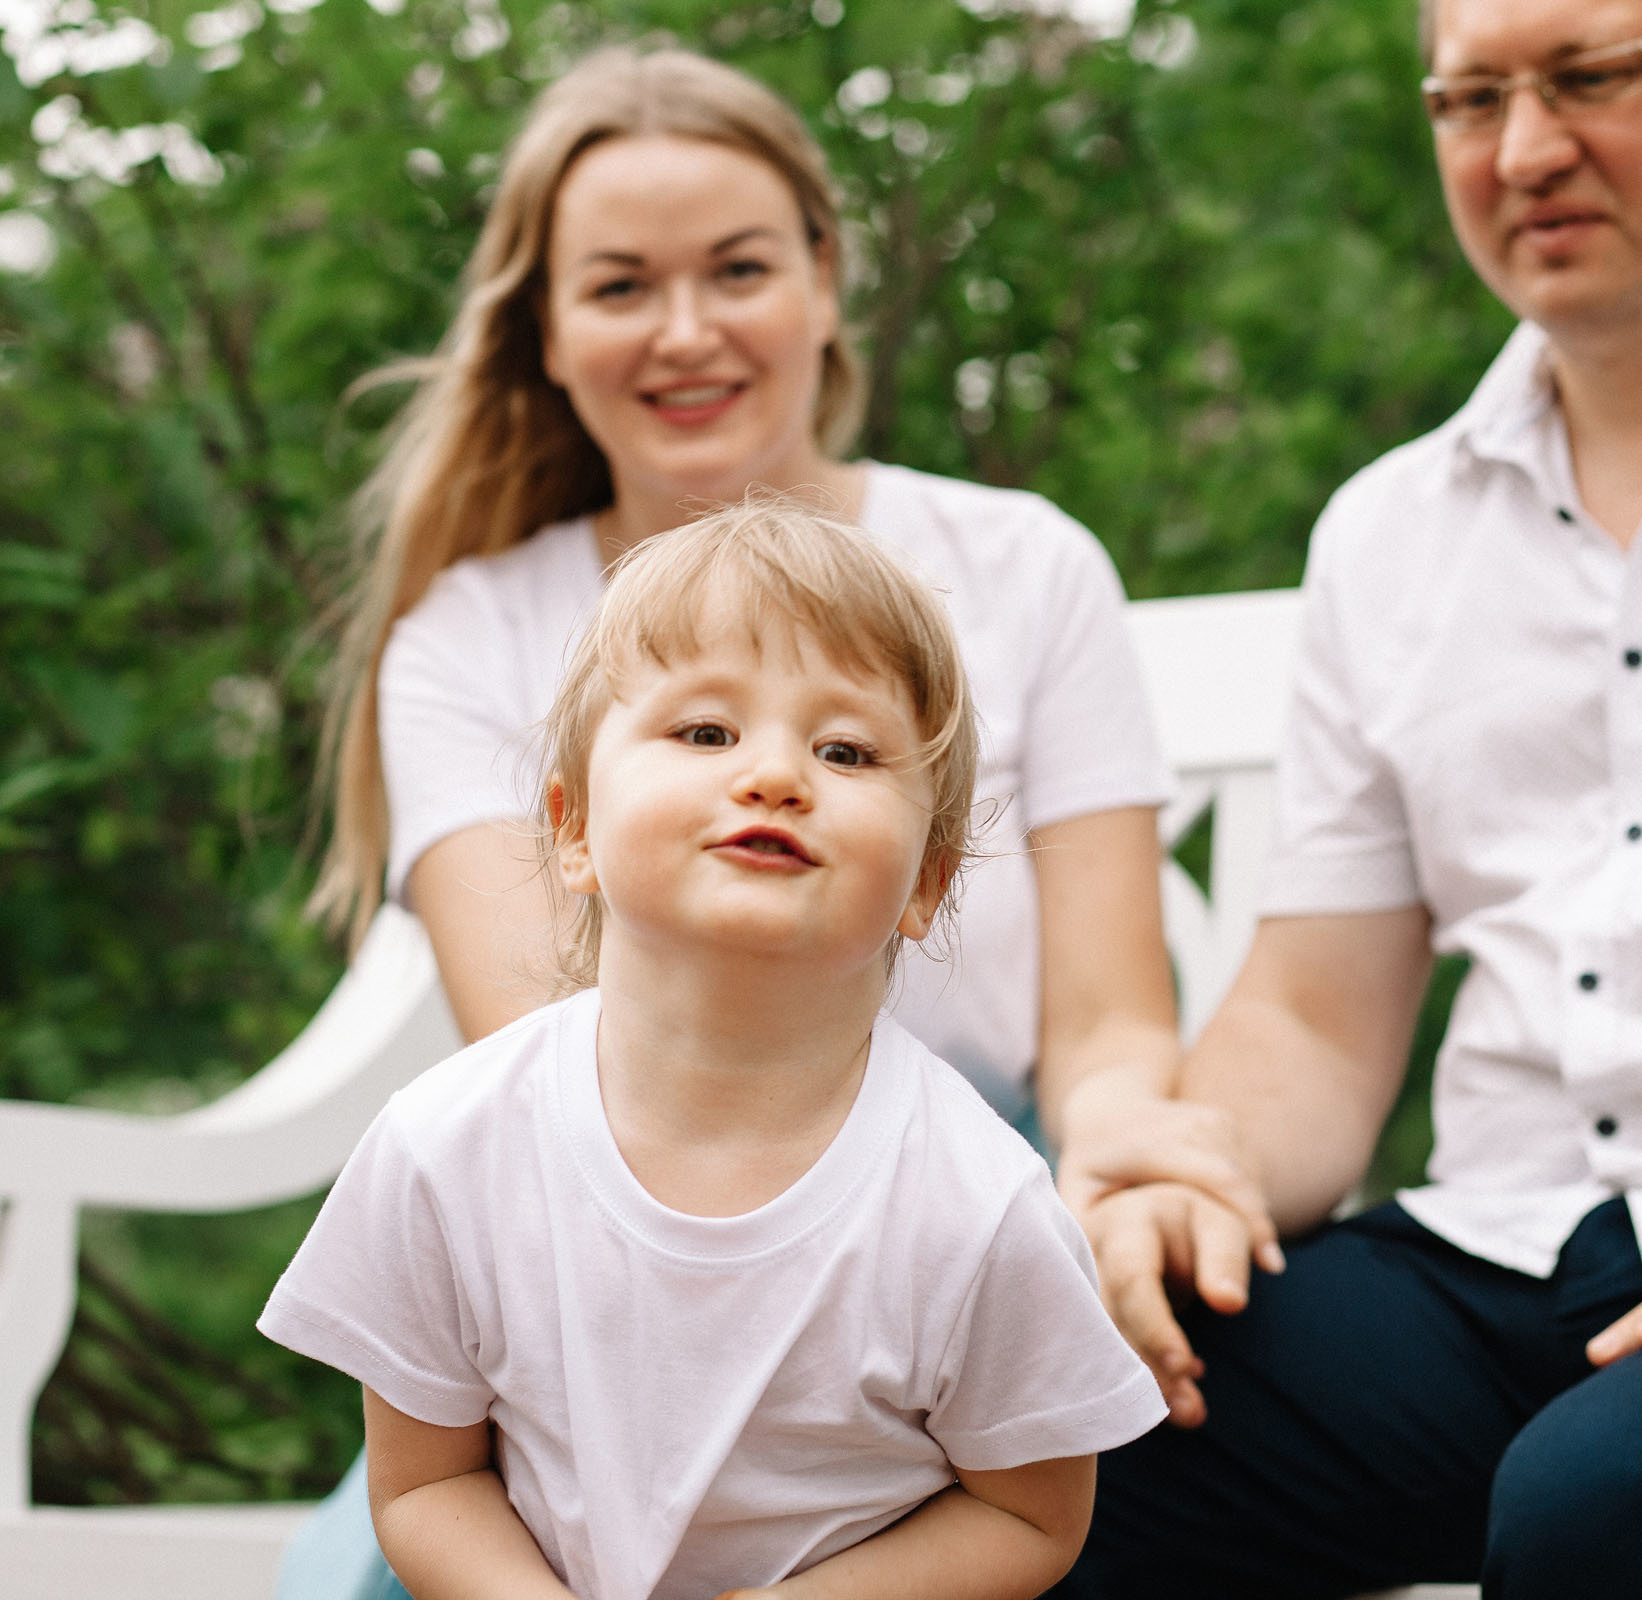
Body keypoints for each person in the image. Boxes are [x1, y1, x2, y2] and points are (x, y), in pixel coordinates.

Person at [279, 44, 1181, 1598]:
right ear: (547, 331)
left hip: (957, 1184)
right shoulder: (473, 633)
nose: (687, 330)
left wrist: (1120, 1182)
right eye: (621, 284)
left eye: (741, 269)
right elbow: (550, 1022)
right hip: (603, 1210)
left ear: (826, 285)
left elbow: (1110, 1026)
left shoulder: (1021, 566)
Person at [1061, 2, 1642, 1596]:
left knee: (1619, 1497)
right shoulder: (1391, 533)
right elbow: (1312, 1023)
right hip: (1498, 1251)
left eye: (1586, 79)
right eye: (1471, 98)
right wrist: (1186, 1169)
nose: (1523, 151)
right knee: (1048, 1435)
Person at [263, 504, 1167, 1600]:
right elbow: (422, 1487)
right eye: (705, 733)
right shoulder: (448, 1148)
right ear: (574, 830)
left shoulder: (977, 1209)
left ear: (926, 882)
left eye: (845, 749)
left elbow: (1029, 1512)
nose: (776, 774)